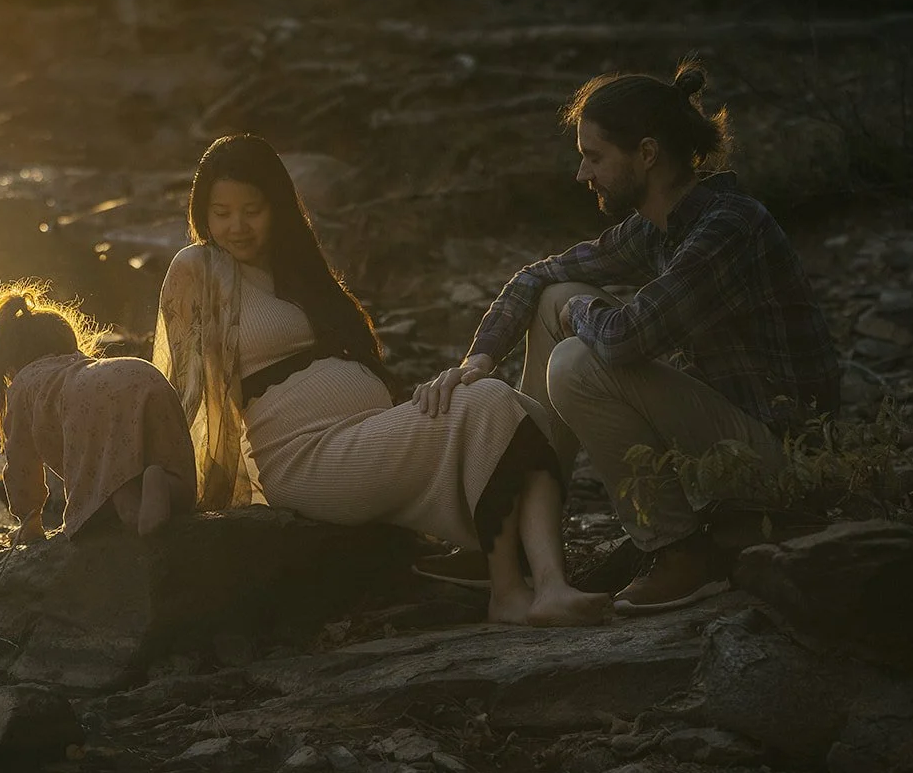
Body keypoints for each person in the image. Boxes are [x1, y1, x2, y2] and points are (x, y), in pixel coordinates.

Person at [417, 63, 840, 614]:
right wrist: (480, 359)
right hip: (721, 436)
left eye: (593, 157)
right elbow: (537, 275)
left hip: (783, 464)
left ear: (646, 153)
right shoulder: (657, 225)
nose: (581, 174)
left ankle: (680, 553)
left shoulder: (728, 228)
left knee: (577, 360)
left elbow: (622, 340)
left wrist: (580, 309)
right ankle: (521, 536)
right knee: (554, 297)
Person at [153, 133, 609, 627]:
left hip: (368, 429)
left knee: (525, 411)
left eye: (251, 209)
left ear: (278, 206)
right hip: (305, 455)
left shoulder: (298, 269)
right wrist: (169, 481)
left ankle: (550, 584)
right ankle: (510, 592)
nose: (236, 226)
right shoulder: (199, 267)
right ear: (202, 213)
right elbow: (183, 385)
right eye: (221, 212)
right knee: (491, 401)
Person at [0, 282, 196, 542]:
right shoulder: (82, 367)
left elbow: (21, 462)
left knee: (109, 493)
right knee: (170, 470)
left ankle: (130, 504)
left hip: (104, 401)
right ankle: (162, 482)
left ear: (10, 359)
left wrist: (29, 518)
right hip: (143, 374)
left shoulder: (25, 384)